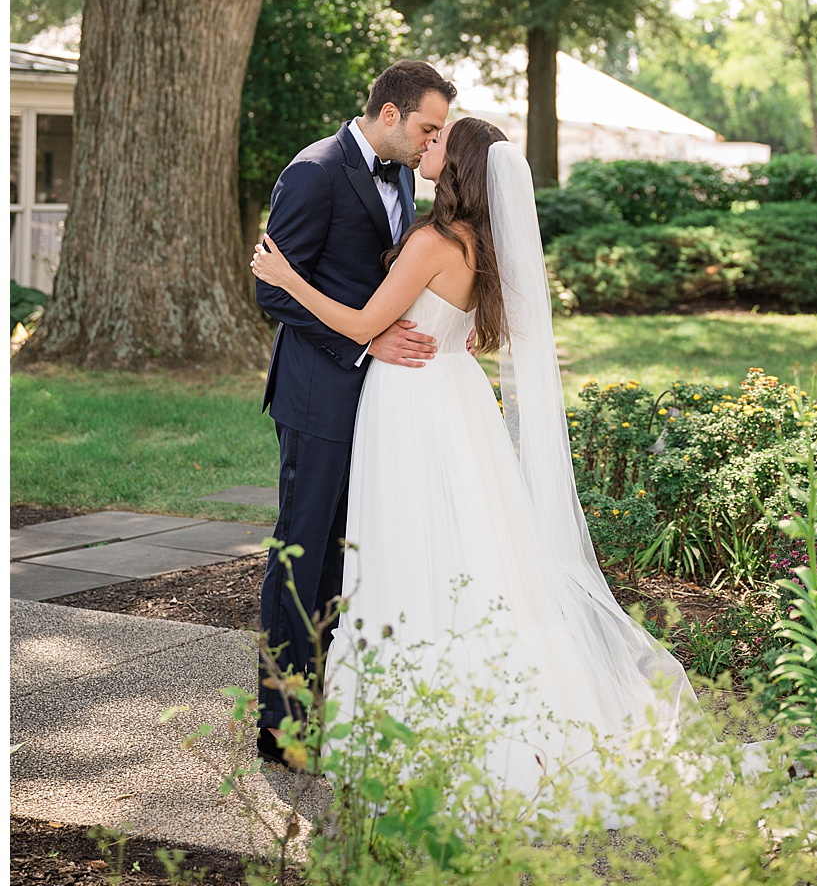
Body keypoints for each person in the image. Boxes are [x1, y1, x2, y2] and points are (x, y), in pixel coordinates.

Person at [251, 118, 693, 790]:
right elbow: (474, 333)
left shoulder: (433, 242)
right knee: (466, 547)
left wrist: (289, 278)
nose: (424, 147)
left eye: (436, 144)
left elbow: (364, 324)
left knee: (407, 541)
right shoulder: (482, 245)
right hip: (457, 397)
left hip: (409, 402)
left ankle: (415, 706)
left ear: (454, 166)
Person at [253, 61, 455, 765]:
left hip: (375, 395)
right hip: (316, 391)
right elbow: (274, 292)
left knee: (346, 556)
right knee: (301, 551)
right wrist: (366, 338)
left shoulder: (399, 171)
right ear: (392, 114)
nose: (436, 141)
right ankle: (280, 723)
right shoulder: (313, 171)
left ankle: (327, 697)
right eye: (429, 127)